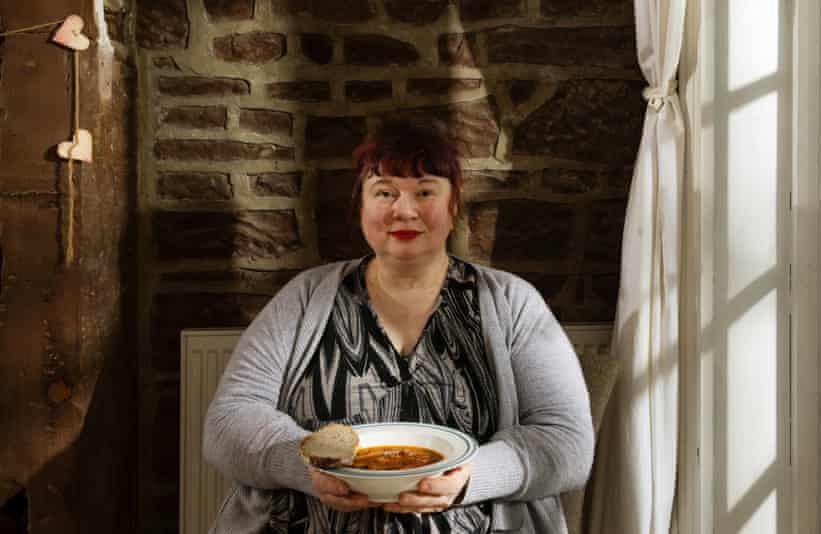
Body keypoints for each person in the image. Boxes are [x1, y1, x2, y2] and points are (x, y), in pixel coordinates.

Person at [203, 118, 594, 533]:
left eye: (425, 191)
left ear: (453, 204)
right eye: (384, 192)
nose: (403, 210)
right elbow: (228, 422)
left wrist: (470, 480)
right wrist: (306, 468)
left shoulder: (512, 303)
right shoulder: (304, 298)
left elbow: (567, 443)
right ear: (361, 206)